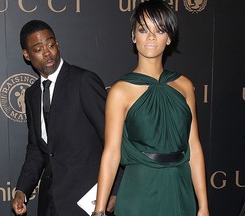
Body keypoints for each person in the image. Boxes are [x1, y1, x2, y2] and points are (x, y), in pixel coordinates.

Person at [92, 0, 209, 216]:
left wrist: (203, 206)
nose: (152, 37)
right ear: (134, 36)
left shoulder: (184, 85)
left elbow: (194, 146)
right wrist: (99, 211)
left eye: (160, 30)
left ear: (169, 38)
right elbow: (111, 154)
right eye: (144, 29)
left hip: (180, 191)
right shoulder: (120, 91)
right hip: (139, 193)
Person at [12, 20, 121, 216]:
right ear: (26, 55)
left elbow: (113, 139)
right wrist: (22, 190)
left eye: (51, 45)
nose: (47, 53)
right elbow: (37, 148)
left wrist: (115, 191)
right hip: (50, 204)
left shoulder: (83, 81)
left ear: (57, 45)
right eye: (38, 49)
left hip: (89, 202)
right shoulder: (32, 94)